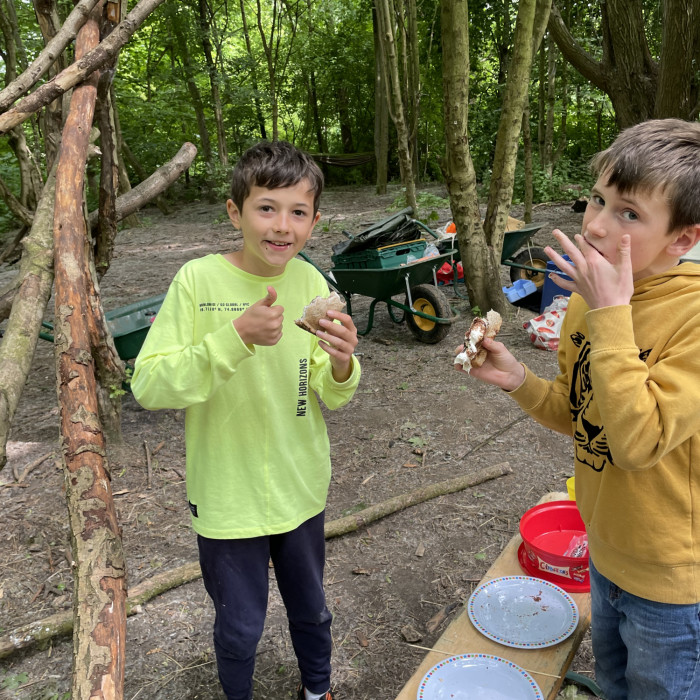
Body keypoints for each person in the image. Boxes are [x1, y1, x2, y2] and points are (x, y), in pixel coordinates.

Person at [458, 118, 700, 700]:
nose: (594, 224)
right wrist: (519, 379)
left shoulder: (688, 319)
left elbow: (638, 441)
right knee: (615, 685)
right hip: (604, 551)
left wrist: (610, 312)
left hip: (672, 581)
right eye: (598, 198)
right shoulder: (584, 305)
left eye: (630, 214)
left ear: (684, 239)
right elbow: (582, 414)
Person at [131, 140, 361, 700]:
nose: (282, 226)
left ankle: (318, 690)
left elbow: (330, 394)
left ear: (314, 220)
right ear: (236, 212)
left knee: (312, 610)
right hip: (227, 498)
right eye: (266, 207)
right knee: (239, 627)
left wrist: (342, 364)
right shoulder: (197, 282)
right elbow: (150, 385)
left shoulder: (313, 284)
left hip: (300, 487)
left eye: (298, 212)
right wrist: (233, 338)